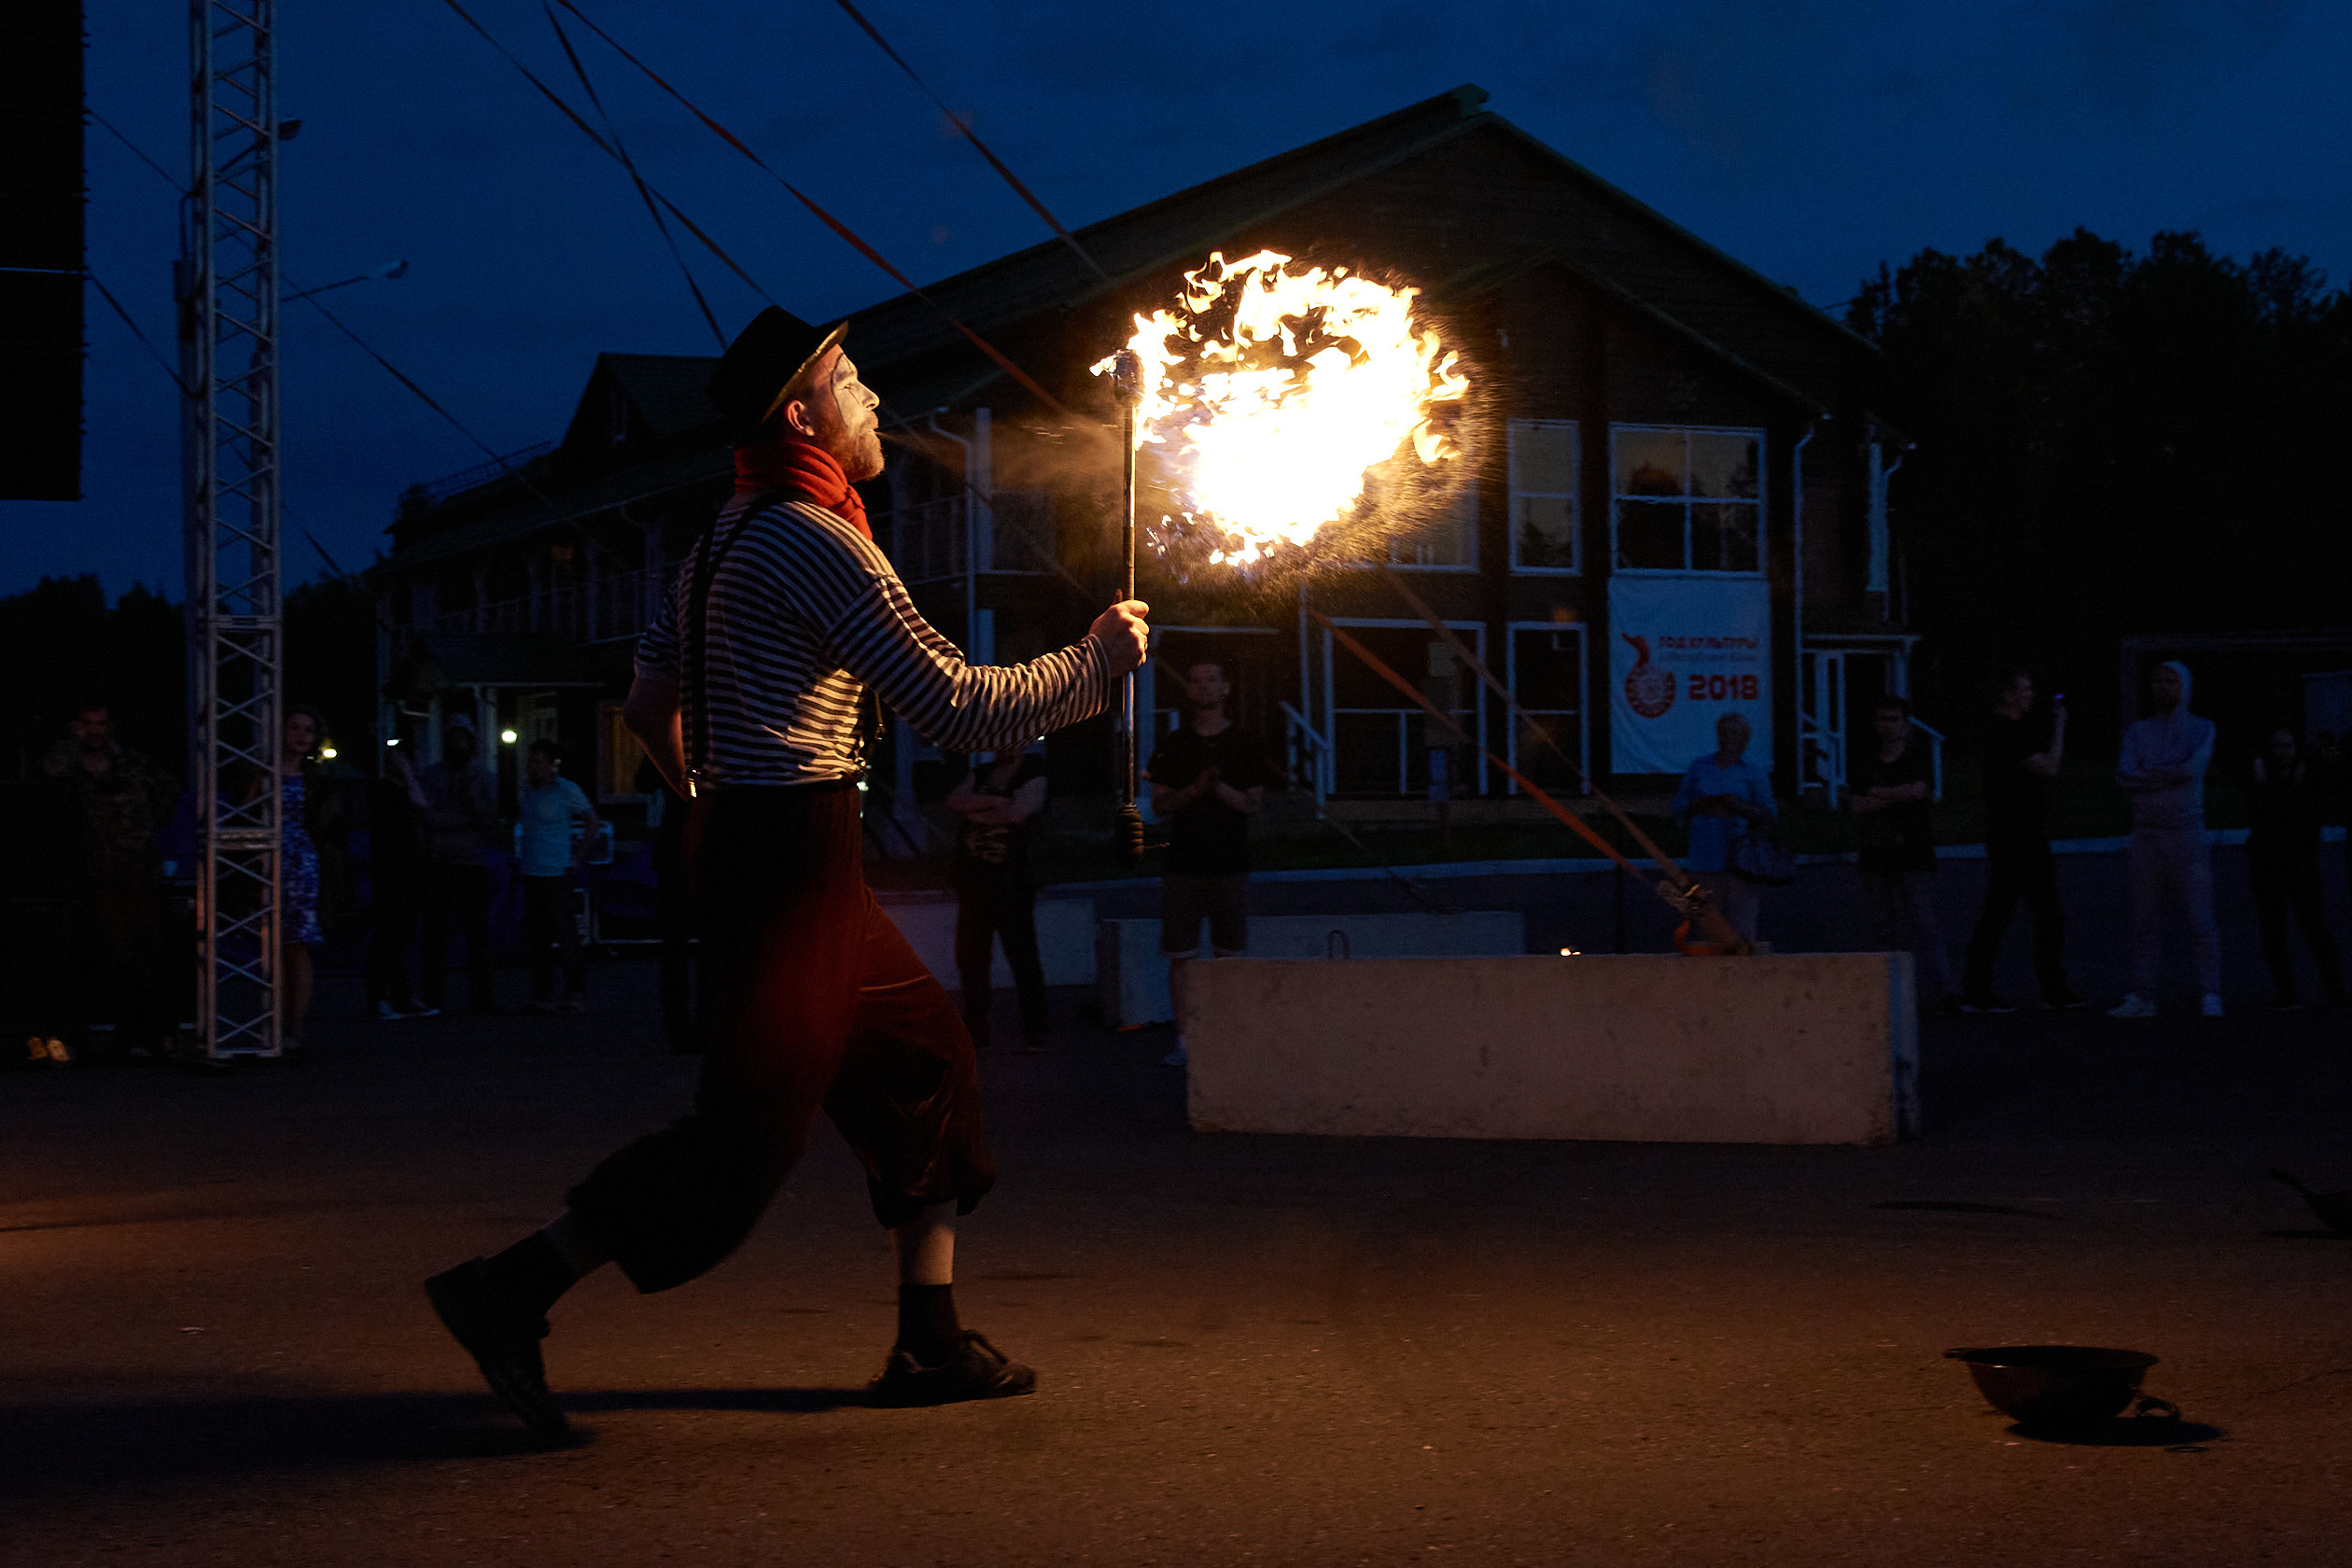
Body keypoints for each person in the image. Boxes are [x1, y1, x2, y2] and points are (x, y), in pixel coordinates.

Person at [423, 304, 1148, 1439]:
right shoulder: (817, 540)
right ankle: (508, 1288)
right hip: (791, 858)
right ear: (802, 416)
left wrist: (709, 800)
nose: (872, 397)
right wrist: (1094, 663)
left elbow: (648, 707)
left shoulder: (719, 539)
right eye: (849, 381)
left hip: (777, 847)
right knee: (743, 1141)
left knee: (926, 1059)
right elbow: (956, 708)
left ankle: (929, 1337)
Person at [1145, 660, 1267, 1068]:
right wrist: (1196, 790)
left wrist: (1217, 787)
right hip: (1184, 864)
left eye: (1211, 680)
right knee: (1181, 956)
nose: (1204, 687)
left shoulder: (1244, 742)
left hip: (1230, 863)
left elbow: (1252, 803)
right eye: (1196, 681)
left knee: (1229, 956)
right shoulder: (1175, 744)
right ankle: (1185, 1040)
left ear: (1225, 688)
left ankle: (1226, 1036)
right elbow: (1160, 804)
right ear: (1189, 690)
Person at [39, 702, 178, 1054]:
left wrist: (150, 826)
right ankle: (130, 1037)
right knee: (119, 958)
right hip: (102, 876)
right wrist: (71, 743)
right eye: (87, 724)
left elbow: (167, 791)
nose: (95, 731)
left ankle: (161, 1033)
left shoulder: (132, 762)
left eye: (100, 723)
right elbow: (49, 773)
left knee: (153, 954)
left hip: (143, 871)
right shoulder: (73, 766)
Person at [1958, 669, 2085, 1014]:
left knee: (2030, 912)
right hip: (2016, 836)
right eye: (2025, 689)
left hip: (2017, 834)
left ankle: (2042, 987)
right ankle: (1984, 990)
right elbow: (2049, 766)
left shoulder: (2005, 730)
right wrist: (2060, 727)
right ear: (2008, 694)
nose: (2031, 695)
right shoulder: (2005, 731)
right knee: (2017, 912)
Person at [2109, 660, 2221, 1018]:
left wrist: (2151, 773)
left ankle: (2210, 991)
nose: (2163, 687)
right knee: (2143, 919)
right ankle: (2142, 994)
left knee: (2200, 918)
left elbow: (2192, 769)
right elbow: (2124, 774)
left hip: (2186, 833)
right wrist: (2168, 774)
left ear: (2184, 686)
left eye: (2171, 681)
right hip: (2146, 835)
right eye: (2158, 681)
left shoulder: (2203, 728)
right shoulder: (2138, 731)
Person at [1849, 694, 1957, 1015]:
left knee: (1923, 923)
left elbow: (1918, 790)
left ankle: (1942, 989)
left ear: (1905, 724)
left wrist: (1878, 794)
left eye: (1893, 719)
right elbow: (1857, 802)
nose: (1887, 726)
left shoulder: (1916, 756)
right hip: (1875, 851)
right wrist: (1898, 795)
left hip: (1911, 850)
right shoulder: (1865, 758)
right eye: (1882, 719)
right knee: (1882, 927)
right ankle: (1888, 990)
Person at [945, 745, 1052, 1052]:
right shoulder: (980, 773)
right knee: (971, 959)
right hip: (973, 880)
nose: (1004, 747)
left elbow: (1017, 813)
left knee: (1023, 957)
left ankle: (1036, 1030)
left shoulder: (1034, 774)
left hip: (1012, 881)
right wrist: (996, 801)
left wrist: (975, 810)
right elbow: (954, 801)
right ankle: (976, 1029)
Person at [2246, 727, 2345, 1013]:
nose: (2282, 752)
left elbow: (2333, 782)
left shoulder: (2309, 775)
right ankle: (2287, 993)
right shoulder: (2261, 775)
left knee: (2314, 927)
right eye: (2277, 746)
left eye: (2287, 745)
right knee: (2273, 930)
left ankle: (2336, 992)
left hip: (2301, 863)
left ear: (2296, 748)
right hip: (2267, 863)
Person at [251, 705, 329, 1051]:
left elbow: (327, 826)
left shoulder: (317, 780)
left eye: (307, 730)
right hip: (266, 863)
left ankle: (294, 1029)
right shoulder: (261, 773)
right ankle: (271, 1023)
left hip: (301, 866)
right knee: (271, 944)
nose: (300, 735)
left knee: (296, 945)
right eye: (294, 727)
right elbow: (245, 810)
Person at [417, 716, 501, 1015]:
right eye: (454, 739)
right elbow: (427, 817)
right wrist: (465, 820)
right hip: (440, 860)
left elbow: (488, 820)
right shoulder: (431, 775)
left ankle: (481, 998)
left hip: (472, 862)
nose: (459, 745)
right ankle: (432, 997)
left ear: (472, 743)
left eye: (464, 739)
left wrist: (468, 805)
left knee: (477, 932)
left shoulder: (484, 778)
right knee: (435, 932)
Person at [1671, 711, 1774, 945]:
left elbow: (1769, 814)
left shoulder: (1753, 771)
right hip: (1705, 857)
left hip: (1743, 861)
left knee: (1742, 931)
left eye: (1736, 734)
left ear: (1745, 739)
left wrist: (1740, 807)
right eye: (1725, 733)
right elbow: (1679, 807)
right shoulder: (1700, 768)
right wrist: (1699, 806)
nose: (1729, 738)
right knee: (1708, 928)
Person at [516, 739, 600, 1015]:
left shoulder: (567, 790)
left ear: (552, 766)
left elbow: (592, 820)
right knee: (537, 935)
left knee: (566, 934)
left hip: (557, 871)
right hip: (532, 870)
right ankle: (543, 993)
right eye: (531, 762)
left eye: (539, 763)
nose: (534, 768)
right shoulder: (527, 790)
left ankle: (575, 991)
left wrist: (578, 855)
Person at [366, 749, 439, 1019]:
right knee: (387, 935)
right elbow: (420, 804)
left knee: (403, 936)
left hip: (409, 870)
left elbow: (422, 806)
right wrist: (407, 772)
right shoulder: (383, 790)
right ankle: (378, 998)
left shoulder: (406, 790)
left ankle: (401, 996)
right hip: (389, 872)